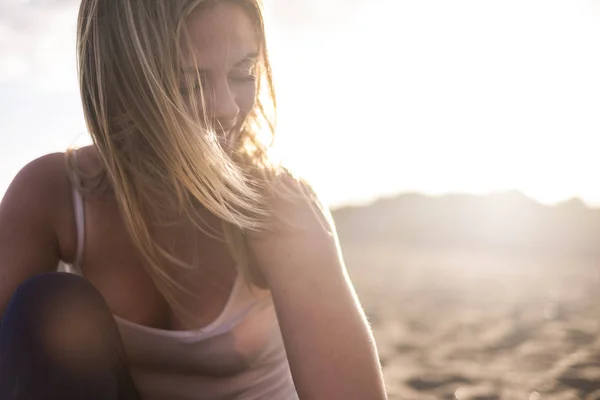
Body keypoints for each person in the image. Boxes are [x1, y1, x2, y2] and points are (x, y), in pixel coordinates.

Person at [0, 0, 388, 399]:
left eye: (243, 73)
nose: (228, 108)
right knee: (46, 304)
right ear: (122, 83)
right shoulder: (54, 194)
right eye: (190, 84)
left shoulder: (278, 207)